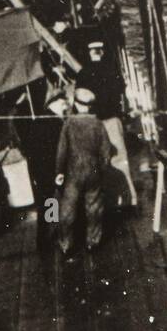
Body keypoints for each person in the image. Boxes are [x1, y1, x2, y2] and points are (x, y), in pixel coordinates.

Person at [54, 87, 113, 255]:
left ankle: (66, 245)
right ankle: (92, 243)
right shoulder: (98, 124)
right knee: (94, 209)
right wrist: (101, 170)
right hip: (93, 172)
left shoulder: (69, 124)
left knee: (67, 210)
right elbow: (106, 152)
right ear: (89, 106)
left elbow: (62, 151)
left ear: (76, 104)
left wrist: (59, 172)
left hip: (73, 173)